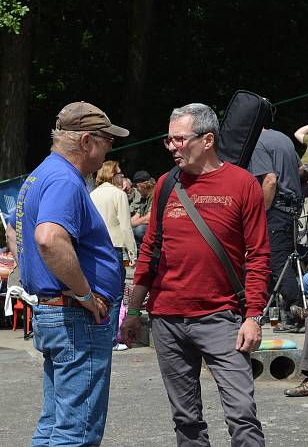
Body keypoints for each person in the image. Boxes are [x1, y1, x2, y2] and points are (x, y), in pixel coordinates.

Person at [121, 103, 269, 447]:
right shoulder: (165, 184)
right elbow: (150, 251)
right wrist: (135, 312)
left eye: (179, 139)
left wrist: (253, 317)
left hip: (223, 319)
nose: (172, 147)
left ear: (207, 140)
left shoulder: (243, 184)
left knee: (242, 414)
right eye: (168, 140)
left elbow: (259, 255)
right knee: (186, 420)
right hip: (168, 319)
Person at [15, 101, 128, 446]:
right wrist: (84, 294)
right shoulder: (65, 179)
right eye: (107, 140)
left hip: (55, 312)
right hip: (75, 316)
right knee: (76, 432)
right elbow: (49, 238)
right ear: (86, 141)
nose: (110, 147)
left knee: (54, 424)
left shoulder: (40, 175)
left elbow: (13, 231)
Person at [248, 125, 304, 329]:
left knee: (277, 262)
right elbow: (300, 168)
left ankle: (296, 309)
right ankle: (280, 312)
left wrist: (260, 213)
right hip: (292, 207)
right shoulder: (283, 137)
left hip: (276, 209)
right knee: (285, 259)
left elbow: (270, 180)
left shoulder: (257, 143)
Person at [90, 160, 137, 350]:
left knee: (98, 294)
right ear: (111, 174)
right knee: (116, 295)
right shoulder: (118, 195)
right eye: (119, 173)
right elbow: (125, 226)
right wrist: (132, 251)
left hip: (94, 250)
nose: (121, 176)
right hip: (114, 247)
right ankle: (111, 340)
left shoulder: (92, 195)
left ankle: (97, 337)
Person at [129, 170, 155, 244]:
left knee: (139, 230)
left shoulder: (155, 195)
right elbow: (137, 215)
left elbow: (148, 219)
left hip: (156, 228)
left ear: (143, 186)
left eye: (137, 187)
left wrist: (129, 226)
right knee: (131, 231)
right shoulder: (143, 198)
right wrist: (125, 225)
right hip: (148, 228)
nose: (136, 190)